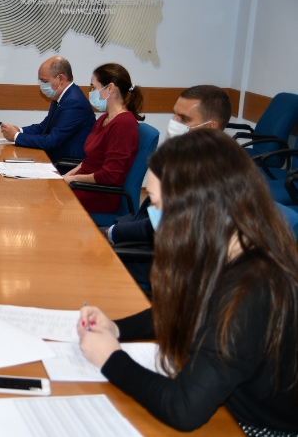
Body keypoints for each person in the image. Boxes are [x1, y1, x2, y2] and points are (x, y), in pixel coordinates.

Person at [78, 129, 298, 434]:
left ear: (198, 209)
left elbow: (183, 409)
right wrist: (116, 329)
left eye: (157, 205)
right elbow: (182, 309)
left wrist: (110, 359)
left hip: (256, 428)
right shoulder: (229, 246)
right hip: (227, 403)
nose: (153, 217)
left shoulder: (252, 291)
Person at [105, 85, 232, 247]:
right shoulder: (188, 156)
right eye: (174, 114)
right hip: (141, 229)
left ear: (210, 127)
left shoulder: (208, 172)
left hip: (156, 252)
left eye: (184, 119)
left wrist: (113, 233)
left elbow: (160, 226)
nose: (174, 122)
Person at [63, 63, 142, 213]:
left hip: (99, 194)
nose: (91, 92)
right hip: (84, 186)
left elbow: (109, 175)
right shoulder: (104, 119)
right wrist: (68, 175)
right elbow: (90, 160)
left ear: (110, 88)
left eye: (94, 87)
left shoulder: (123, 124)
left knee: (50, 202)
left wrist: (74, 179)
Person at [0, 56, 95, 163]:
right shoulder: (61, 97)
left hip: (65, 164)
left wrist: (16, 137)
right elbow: (44, 127)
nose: (42, 86)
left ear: (61, 79)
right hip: (53, 158)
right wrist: (19, 130)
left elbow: (51, 142)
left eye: (45, 81)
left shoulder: (74, 102)